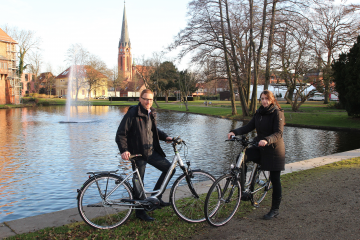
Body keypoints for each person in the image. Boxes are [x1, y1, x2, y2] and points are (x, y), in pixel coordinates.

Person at [115, 89, 173, 222]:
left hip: (151, 151)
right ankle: (140, 213)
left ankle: (156, 199)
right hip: (137, 153)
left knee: (169, 169)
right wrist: (124, 150)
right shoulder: (132, 113)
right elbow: (120, 134)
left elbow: (154, 130)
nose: (148, 102)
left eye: (151, 99)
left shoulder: (151, 112)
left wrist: (166, 137)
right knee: (138, 183)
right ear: (140, 99)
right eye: (146, 99)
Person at [227, 90, 285, 220]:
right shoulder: (259, 113)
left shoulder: (277, 113)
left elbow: (279, 133)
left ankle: (275, 209)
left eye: (267, 99)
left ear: (272, 100)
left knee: (275, 180)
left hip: (274, 150)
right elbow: (248, 126)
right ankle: (242, 191)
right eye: (262, 98)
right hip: (260, 147)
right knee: (242, 158)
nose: (264, 101)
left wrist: (267, 140)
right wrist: (234, 132)